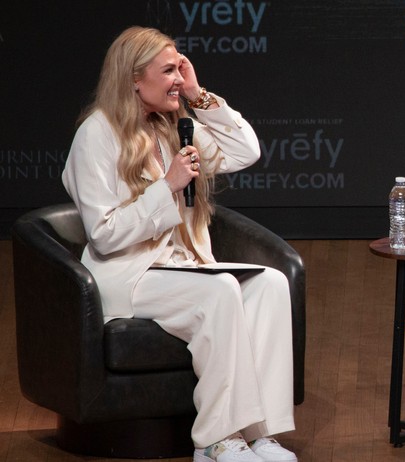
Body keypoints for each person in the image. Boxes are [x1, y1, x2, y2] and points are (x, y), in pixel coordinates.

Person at [62, 27, 298, 462]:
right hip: (129, 275)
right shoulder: (96, 136)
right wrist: (166, 187)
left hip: (183, 267)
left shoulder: (175, 126)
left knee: (270, 284)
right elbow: (104, 234)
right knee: (221, 289)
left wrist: (198, 94)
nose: (177, 78)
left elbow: (245, 152)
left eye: (180, 69)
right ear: (135, 78)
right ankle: (215, 439)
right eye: (168, 70)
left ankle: (257, 432)